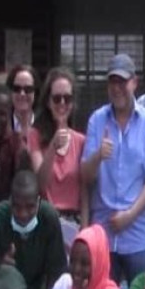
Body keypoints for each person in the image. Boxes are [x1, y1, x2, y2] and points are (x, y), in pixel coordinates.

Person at [82, 53, 145, 284]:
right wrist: (98, 156)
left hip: (137, 233)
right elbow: (85, 177)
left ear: (134, 83)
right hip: (103, 233)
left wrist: (130, 215)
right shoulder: (97, 120)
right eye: (112, 82)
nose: (117, 88)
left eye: (122, 82)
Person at [33, 67, 88, 243]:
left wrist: (84, 230)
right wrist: (52, 149)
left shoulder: (81, 140)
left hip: (74, 222)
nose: (62, 103)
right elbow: (40, 182)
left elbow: (85, 190)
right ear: (48, 102)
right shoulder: (35, 135)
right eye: (57, 99)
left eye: (67, 98)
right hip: (47, 219)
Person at [7, 64, 40, 164]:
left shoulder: (44, 126)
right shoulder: (3, 125)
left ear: (35, 92)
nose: (22, 94)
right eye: (17, 89)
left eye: (28, 89)